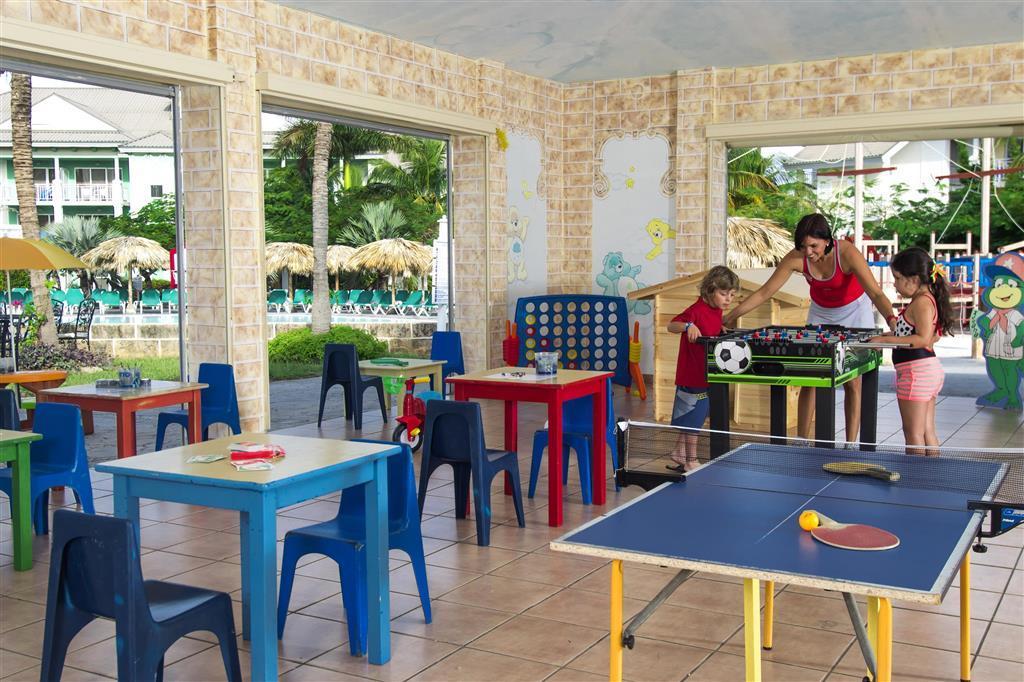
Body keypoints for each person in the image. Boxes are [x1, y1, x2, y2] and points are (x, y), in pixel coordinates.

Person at [722, 213, 896, 443]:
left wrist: (892, 320)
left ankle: (850, 443)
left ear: (827, 240)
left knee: (853, 381)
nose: (808, 252)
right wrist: (730, 317)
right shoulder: (796, 258)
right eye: (803, 246)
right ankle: (802, 441)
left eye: (814, 246)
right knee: (810, 376)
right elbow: (765, 292)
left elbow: (875, 293)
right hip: (821, 311)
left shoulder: (847, 253)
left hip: (855, 309)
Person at [868, 248, 953, 454]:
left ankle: (915, 473)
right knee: (926, 431)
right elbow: (919, 334)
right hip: (924, 372)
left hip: (916, 374)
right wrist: (888, 335)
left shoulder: (922, 302)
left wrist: (885, 340)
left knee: (913, 434)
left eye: (897, 278)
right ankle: (931, 472)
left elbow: (922, 338)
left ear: (914, 279)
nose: (895, 284)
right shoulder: (925, 299)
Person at [666, 265, 739, 471]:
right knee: (693, 420)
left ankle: (679, 452)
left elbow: (710, 327)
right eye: (723, 294)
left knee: (696, 415)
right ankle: (691, 460)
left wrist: (719, 328)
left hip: (705, 375)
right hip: (692, 376)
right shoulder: (696, 311)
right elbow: (671, 325)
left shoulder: (716, 310)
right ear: (709, 290)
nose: (728, 299)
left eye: (732, 295)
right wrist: (688, 326)